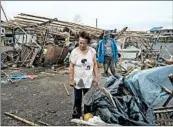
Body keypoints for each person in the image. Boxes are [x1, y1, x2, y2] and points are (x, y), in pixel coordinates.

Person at [69, 31, 99, 119]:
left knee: (88, 99)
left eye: (84, 43)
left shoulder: (92, 51)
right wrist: (71, 79)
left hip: (88, 80)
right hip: (79, 80)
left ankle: (87, 116)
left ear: (88, 43)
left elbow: (95, 64)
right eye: (80, 42)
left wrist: (96, 77)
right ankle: (76, 117)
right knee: (77, 99)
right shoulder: (74, 52)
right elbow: (71, 66)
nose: (82, 45)